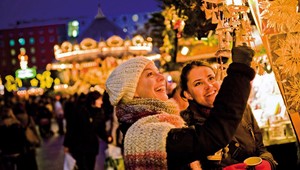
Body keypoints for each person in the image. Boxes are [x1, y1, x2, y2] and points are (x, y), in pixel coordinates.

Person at [105, 44, 255, 170]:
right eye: (150, 74)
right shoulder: (145, 135)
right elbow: (212, 136)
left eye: (158, 72)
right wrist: (239, 73)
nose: (161, 78)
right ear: (133, 92)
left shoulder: (162, 124)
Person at [179, 51, 277, 169]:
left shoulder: (242, 109)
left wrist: (267, 162)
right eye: (198, 83)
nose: (209, 86)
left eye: (211, 78)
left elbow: (260, 148)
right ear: (188, 94)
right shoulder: (184, 125)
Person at [63, 91, 111, 170]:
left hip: (92, 147)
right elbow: (71, 128)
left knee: (90, 166)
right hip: (78, 146)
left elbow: (100, 130)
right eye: (99, 100)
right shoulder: (80, 110)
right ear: (93, 100)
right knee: (82, 167)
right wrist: (66, 144)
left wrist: (108, 138)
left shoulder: (100, 112)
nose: (101, 102)